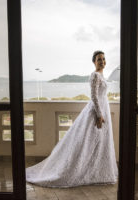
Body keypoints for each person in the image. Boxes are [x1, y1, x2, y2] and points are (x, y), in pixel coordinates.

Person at [25, 50, 118, 188]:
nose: (102, 61)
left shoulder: (102, 76)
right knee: (87, 144)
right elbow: (93, 96)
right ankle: (79, 170)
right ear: (94, 62)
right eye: (99, 59)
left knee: (100, 143)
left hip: (104, 110)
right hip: (97, 113)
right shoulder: (94, 75)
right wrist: (99, 115)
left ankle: (97, 172)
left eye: (103, 59)